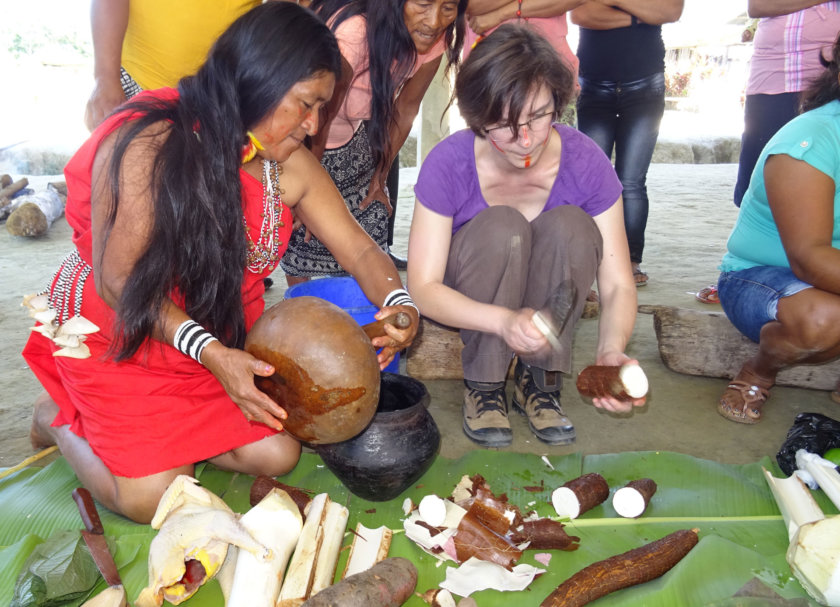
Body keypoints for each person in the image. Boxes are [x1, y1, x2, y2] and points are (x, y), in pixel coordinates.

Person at [24, 3, 418, 524]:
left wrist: (398, 302)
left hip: (214, 332)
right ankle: (55, 417)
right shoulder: (150, 140)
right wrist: (212, 355)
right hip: (125, 328)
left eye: (322, 106)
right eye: (305, 104)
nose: (314, 123)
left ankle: (175, 437)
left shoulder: (289, 166)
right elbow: (119, 281)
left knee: (280, 454)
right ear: (258, 81)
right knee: (155, 500)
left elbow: (362, 249)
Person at [406, 24, 644, 448]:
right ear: (478, 117)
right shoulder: (449, 163)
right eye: (506, 124)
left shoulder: (584, 160)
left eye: (538, 115)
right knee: (505, 227)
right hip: (475, 293)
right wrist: (503, 320)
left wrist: (611, 350)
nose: (527, 139)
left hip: (545, 302)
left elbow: (618, 283)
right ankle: (484, 384)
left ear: (558, 98)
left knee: (572, 225)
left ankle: (541, 381)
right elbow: (422, 287)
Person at [280, 0, 467, 285]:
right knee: (302, 228)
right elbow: (321, 114)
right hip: (305, 137)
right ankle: (300, 306)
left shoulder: (435, 39)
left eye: (448, 8)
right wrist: (307, 191)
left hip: (351, 135)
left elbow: (405, 111)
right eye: (423, 4)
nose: (434, 21)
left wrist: (379, 176)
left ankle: (367, 308)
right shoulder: (355, 33)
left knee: (374, 213)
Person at [716, 32, 840, 424]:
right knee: (824, 320)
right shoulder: (811, 142)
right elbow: (809, 259)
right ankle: (759, 370)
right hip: (760, 278)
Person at [570, 0, 684, 288]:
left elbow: (671, 12)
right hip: (594, 84)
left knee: (631, 181)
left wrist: (613, 3)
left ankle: (629, 262)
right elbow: (580, 14)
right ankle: (586, 262)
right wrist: (642, 14)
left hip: (645, 83)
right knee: (588, 180)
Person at [83, 0, 263, 131]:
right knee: (124, 175)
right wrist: (106, 79)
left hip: (227, 94)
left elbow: (281, 13)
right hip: (136, 81)